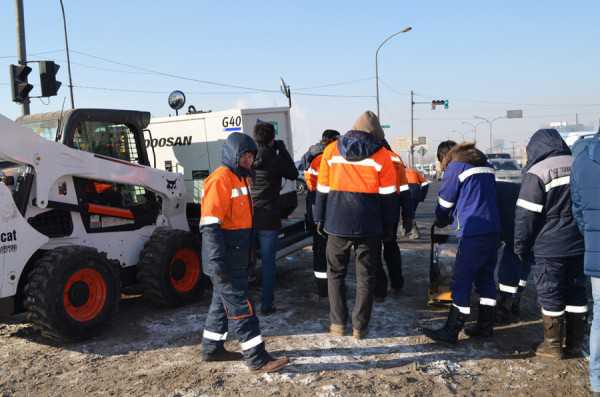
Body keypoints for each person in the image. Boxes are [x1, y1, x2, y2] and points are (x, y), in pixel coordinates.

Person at [200, 132, 288, 373]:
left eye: (251, 156)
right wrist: (218, 262)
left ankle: (211, 348)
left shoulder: (240, 178)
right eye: (245, 156)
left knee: (220, 303)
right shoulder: (221, 179)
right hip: (224, 258)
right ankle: (257, 358)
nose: (249, 161)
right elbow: (210, 226)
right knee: (241, 306)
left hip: (235, 255)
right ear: (232, 155)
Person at [314, 111, 397, 339]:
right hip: (369, 225)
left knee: (335, 274)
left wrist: (319, 218)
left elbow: (321, 190)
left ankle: (337, 324)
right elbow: (389, 197)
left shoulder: (331, 150)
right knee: (366, 277)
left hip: (336, 222)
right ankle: (359, 327)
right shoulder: (382, 156)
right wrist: (390, 226)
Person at [514, 128, 585, 359]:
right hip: (580, 243)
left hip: (549, 245)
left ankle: (552, 346)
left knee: (550, 292)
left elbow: (526, 215)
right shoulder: (578, 164)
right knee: (577, 292)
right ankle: (575, 343)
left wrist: (520, 247)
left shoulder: (538, 172)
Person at [423, 141, 500, 344]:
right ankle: (485, 326)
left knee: (461, 280)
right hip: (493, 229)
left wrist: (440, 219)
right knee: (485, 278)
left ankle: (451, 330)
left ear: (443, 157)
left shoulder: (456, 167)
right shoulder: (485, 165)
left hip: (473, 231)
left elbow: (445, 202)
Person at [251, 121, 299, 315]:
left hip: (247, 216)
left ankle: (242, 306)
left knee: (245, 263)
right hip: (269, 218)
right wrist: (283, 151)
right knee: (268, 263)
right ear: (272, 138)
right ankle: (266, 305)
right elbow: (294, 174)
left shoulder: (248, 158)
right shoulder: (275, 159)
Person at [571, 134, 600, 394]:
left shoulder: (582, 162)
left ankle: (597, 379)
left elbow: (577, 209)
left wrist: (590, 235)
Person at [298, 129, 341, 297]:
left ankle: (322, 287)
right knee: (331, 249)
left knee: (319, 249)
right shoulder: (327, 159)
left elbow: (310, 184)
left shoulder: (312, 156)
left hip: (314, 207)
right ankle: (331, 287)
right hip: (327, 208)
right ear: (331, 140)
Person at [374, 142, 412, 301]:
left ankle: (379, 291)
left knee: (373, 250)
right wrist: (407, 217)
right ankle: (397, 283)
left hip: (372, 210)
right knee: (391, 246)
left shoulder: (369, 157)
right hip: (392, 209)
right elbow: (404, 191)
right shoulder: (396, 159)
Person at [495, 181, 531, 324]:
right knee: (522, 258)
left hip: (513, 221)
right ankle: (514, 301)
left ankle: (504, 306)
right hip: (527, 219)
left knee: (511, 260)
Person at [404, 167, 430, 239]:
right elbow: (425, 183)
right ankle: (407, 229)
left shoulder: (399, 171)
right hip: (416, 190)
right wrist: (422, 196)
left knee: (407, 213)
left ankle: (413, 232)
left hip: (407, 189)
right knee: (411, 211)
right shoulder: (413, 171)